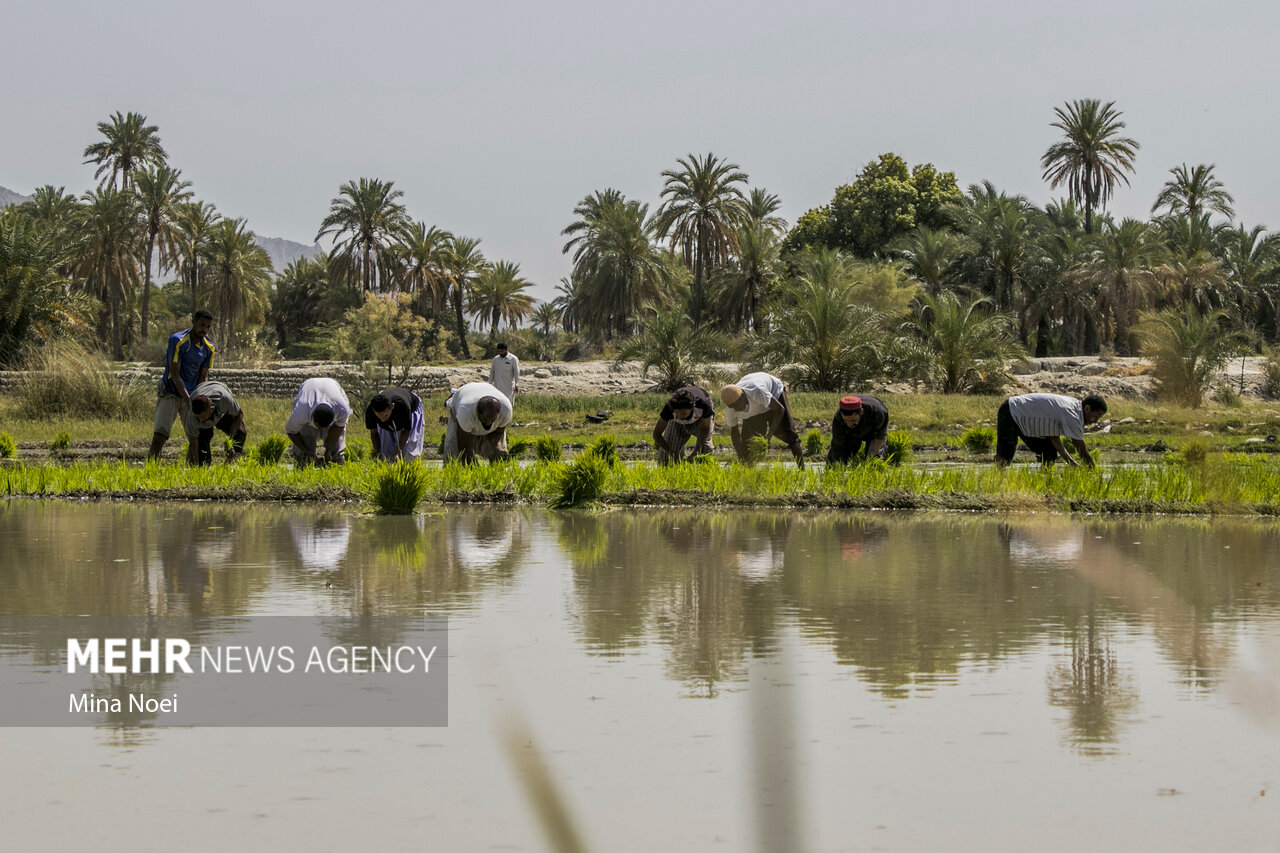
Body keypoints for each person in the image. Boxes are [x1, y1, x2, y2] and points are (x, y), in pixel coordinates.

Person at [149, 310, 215, 460]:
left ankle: (193, 470)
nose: (204, 329)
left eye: (208, 327)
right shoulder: (178, 341)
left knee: (195, 437)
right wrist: (188, 400)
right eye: (201, 325)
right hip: (171, 392)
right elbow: (175, 375)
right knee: (160, 435)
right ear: (193, 322)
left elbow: (203, 377)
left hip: (191, 395)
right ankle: (150, 467)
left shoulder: (209, 347)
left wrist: (197, 399)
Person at [995, 392, 1107, 467]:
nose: (1095, 421)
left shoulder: (1075, 409)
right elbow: (1081, 449)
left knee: (1049, 453)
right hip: (1012, 410)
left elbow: (1053, 437)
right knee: (1006, 455)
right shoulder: (1073, 415)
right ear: (1087, 409)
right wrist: (1093, 470)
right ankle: (996, 480)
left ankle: (1042, 480)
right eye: (1095, 416)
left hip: (1027, 418)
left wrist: (1071, 463)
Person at [721, 372, 804, 468]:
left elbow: (780, 409)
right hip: (756, 408)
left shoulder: (756, 391)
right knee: (748, 444)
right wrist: (741, 457)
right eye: (731, 407)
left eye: (736, 405)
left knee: (789, 435)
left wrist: (768, 436)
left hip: (774, 396)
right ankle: (749, 473)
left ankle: (802, 470)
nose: (735, 409)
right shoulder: (731, 408)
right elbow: (734, 433)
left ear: (742, 396)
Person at [285, 378, 351, 466]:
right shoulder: (302, 412)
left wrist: (329, 448)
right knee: (304, 452)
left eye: (325, 427)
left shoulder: (342, 410)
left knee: (336, 450)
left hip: (331, 385)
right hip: (309, 386)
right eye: (319, 427)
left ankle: (337, 462)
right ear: (312, 418)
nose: (322, 430)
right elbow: (291, 431)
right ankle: (303, 462)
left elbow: (339, 426)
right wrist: (306, 451)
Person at [443, 381, 512, 464]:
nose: (488, 423)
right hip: (461, 404)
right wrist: (472, 466)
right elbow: (463, 446)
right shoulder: (465, 413)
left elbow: (498, 432)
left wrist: (498, 448)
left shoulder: (506, 410)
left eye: (492, 419)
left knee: (499, 456)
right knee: (454, 458)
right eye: (485, 420)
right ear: (477, 413)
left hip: (483, 390)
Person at [184, 380, 247, 466]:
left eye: (202, 417)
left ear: (212, 408)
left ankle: (229, 463)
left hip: (219, 396)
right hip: (201, 391)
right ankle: (201, 467)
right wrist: (194, 462)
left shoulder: (224, 400)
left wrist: (230, 438)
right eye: (198, 417)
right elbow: (193, 442)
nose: (200, 420)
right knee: (203, 453)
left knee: (240, 433)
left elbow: (239, 414)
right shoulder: (192, 418)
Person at [652, 386, 715, 464]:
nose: (679, 416)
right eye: (677, 413)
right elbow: (656, 434)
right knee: (666, 457)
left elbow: (705, 428)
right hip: (676, 423)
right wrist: (670, 452)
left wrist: (697, 448)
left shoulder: (703, 405)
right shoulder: (669, 408)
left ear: (692, 408)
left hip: (699, 419)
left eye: (683, 413)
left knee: (705, 449)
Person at [365, 387, 425, 462]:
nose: (382, 420)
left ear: (392, 407)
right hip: (392, 415)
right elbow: (374, 434)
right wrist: (378, 455)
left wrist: (397, 453)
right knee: (386, 453)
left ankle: (409, 470)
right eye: (379, 417)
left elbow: (407, 431)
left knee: (409, 453)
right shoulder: (371, 411)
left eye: (385, 415)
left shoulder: (403, 406)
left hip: (412, 407)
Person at [827, 394, 890, 464]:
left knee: (875, 460)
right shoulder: (838, 419)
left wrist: (868, 463)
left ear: (861, 412)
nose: (849, 424)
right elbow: (838, 446)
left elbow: (878, 439)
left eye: (852, 421)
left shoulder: (878, 412)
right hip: (851, 434)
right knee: (835, 461)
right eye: (845, 421)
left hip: (873, 432)